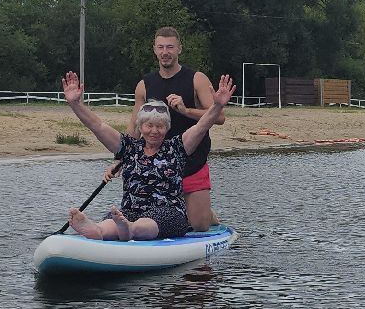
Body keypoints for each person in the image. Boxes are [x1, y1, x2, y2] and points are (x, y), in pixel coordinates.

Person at [62, 70, 235, 240]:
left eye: (160, 126)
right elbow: (97, 126)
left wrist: (217, 106)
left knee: (146, 221)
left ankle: (130, 229)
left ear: (167, 128)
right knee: (117, 219)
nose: (154, 131)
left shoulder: (176, 147)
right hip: (131, 210)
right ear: (141, 127)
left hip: (168, 213)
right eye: (149, 126)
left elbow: (201, 127)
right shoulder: (129, 147)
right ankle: (97, 229)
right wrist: (75, 104)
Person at [133, 27, 224, 230]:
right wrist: (121, 158)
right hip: (158, 164)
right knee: (154, 218)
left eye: (170, 47)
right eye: (161, 47)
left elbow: (219, 118)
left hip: (192, 161)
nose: (165, 52)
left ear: (179, 49)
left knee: (199, 226)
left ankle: (205, 213)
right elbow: (135, 128)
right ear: (154, 50)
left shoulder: (197, 79)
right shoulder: (144, 85)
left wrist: (186, 110)